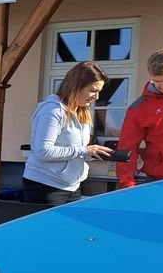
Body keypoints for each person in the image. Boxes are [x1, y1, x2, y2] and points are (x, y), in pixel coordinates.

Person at [22, 61, 113, 204]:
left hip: (72, 186)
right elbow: (42, 151)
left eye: (99, 92)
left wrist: (93, 153)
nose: (96, 97)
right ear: (75, 86)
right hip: (45, 185)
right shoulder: (53, 111)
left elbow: (78, 151)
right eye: (93, 90)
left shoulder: (82, 112)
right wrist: (84, 150)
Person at [115, 48, 163, 188]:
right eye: (157, 81)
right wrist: (127, 183)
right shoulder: (139, 108)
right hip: (162, 181)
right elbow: (126, 148)